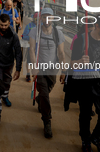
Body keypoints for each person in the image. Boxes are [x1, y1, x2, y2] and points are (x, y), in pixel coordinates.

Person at [70, 13, 100, 152]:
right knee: (85, 115)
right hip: (85, 83)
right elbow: (72, 64)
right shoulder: (82, 40)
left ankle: (96, 137)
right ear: (97, 26)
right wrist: (79, 62)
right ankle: (85, 140)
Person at [29, 8, 65, 138]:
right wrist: (34, 66)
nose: (46, 20)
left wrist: (63, 70)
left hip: (53, 68)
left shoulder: (57, 33)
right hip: (40, 67)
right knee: (44, 93)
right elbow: (32, 49)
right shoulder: (35, 31)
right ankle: (47, 121)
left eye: (49, 17)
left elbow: (61, 53)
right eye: (44, 17)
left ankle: (40, 99)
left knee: (49, 88)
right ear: (40, 19)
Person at [22, 12, 39, 82]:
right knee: (29, 61)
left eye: (39, 19)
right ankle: (28, 74)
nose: (37, 21)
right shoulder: (29, 26)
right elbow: (24, 36)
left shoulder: (42, 26)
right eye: (36, 19)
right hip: (31, 48)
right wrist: (31, 38)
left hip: (39, 49)